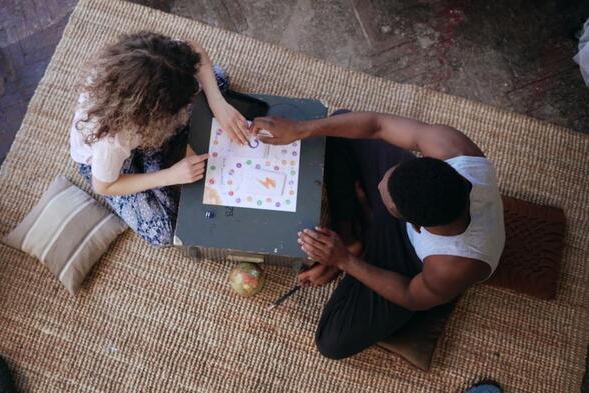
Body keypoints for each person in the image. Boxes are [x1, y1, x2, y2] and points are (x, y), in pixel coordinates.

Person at [250, 110, 505, 359]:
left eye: (385, 196)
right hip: (415, 204)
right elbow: (377, 124)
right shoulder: (453, 149)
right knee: (337, 125)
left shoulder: (453, 265)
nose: (380, 182)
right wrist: (300, 128)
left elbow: (411, 296)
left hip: (413, 259)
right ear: (432, 162)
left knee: (333, 342)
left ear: (415, 226)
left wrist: (345, 261)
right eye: (387, 178)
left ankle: (360, 240)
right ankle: (351, 233)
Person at [70, 32, 250, 246]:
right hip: (112, 169)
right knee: (164, 232)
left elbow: (196, 51)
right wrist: (169, 176)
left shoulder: (160, 59)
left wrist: (217, 102)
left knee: (218, 79)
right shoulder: (111, 142)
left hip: (142, 131)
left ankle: (155, 159)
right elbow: (104, 186)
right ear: (152, 115)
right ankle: (152, 164)